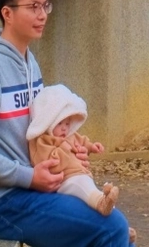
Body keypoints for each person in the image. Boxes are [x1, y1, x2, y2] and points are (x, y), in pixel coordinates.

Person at [0, 0, 131, 247]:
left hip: (38, 187)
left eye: (45, 6)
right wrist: (29, 176)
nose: (42, 15)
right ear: (7, 13)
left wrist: (66, 152)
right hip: (5, 203)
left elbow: (41, 129)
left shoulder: (30, 63)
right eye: (33, 6)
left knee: (114, 226)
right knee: (112, 227)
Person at [26, 85, 120, 216]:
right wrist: (65, 149)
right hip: (64, 181)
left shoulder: (69, 135)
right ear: (48, 121)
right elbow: (49, 163)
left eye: (67, 123)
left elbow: (82, 141)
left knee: (91, 192)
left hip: (79, 173)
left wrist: (91, 147)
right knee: (85, 188)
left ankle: (118, 221)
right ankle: (103, 205)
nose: (64, 128)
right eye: (59, 123)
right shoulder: (43, 141)